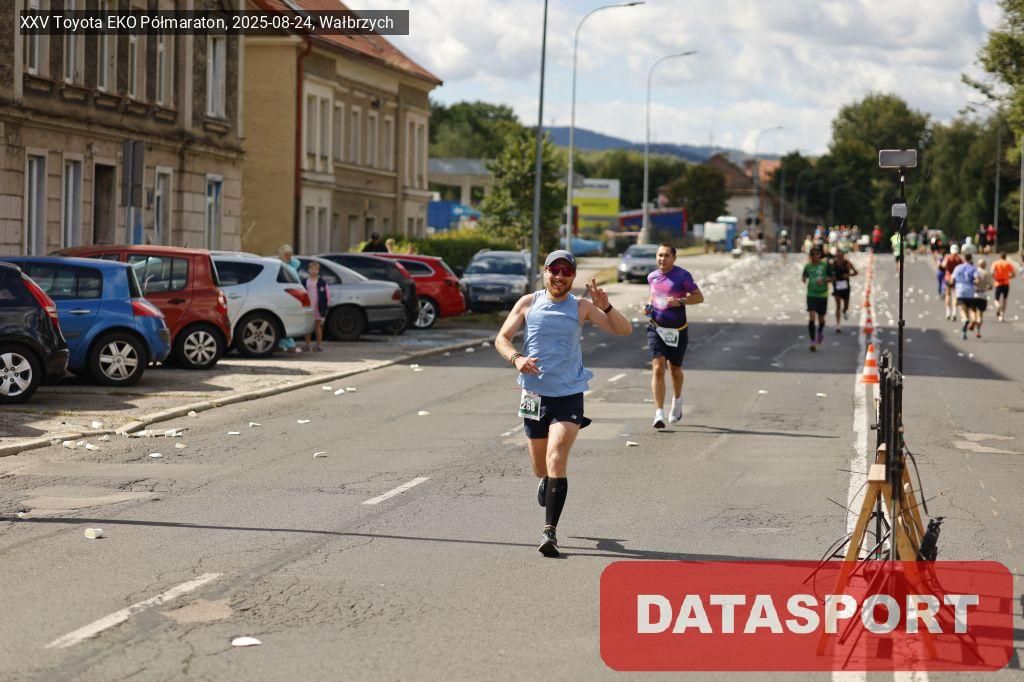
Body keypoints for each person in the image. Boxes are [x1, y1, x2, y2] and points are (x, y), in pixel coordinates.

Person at [494, 250, 632, 558]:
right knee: (540, 467)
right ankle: (546, 480)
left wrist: (606, 306)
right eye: (554, 270)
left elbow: (624, 330)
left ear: (573, 277)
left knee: (557, 455)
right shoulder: (528, 303)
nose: (559, 277)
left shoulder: (581, 306)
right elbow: (502, 338)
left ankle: (549, 532)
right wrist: (516, 358)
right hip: (533, 395)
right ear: (545, 272)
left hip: (569, 394)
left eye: (566, 272)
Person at [645, 243, 704, 429]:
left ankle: (677, 400)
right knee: (658, 369)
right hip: (656, 328)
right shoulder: (652, 277)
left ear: (674, 258)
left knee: (675, 370)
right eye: (659, 255)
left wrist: (681, 301)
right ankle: (658, 413)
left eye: (666, 255)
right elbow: (652, 296)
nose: (662, 259)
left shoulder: (682, 276)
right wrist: (647, 307)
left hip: (677, 330)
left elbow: (699, 297)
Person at [802, 247, 832, 351]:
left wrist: (824, 280)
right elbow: (804, 276)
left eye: (817, 254)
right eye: (813, 254)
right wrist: (804, 279)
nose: (815, 256)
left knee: (821, 319)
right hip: (811, 295)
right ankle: (812, 341)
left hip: (822, 295)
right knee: (812, 317)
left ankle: (819, 332)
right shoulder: (808, 266)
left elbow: (832, 278)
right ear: (811, 256)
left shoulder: (825, 266)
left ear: (820, 255)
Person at [277, 245, 303, 353]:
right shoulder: (279, 266)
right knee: (283, 320)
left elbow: (297, 262)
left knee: (289, 321)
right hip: (283, 296)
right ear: (280, 256)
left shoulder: (291, 266)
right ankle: (284, 344)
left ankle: (287, 344)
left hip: (291, 295)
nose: (289, 257)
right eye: (286, 255)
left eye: (290, 255)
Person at [302, 261, 330, 352]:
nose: (314, 271)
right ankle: (307, 345)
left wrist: (324, 307)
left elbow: (327, 296)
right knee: (308, 327)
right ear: (308, 270)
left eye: (316, 269)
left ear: (318, 270)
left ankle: (319, 345)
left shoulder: (322, 282)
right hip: (308, 307)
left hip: (318, 307)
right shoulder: (305, 281)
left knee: (317, 326)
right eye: (312, 269)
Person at [951, 252, 978, 340]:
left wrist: (953, 284)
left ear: (964, 259)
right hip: (970, 291)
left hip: (960, 291)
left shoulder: (958, 267)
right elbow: (977, 280)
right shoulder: (973, 268)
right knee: (972, 310)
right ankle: (972, 321)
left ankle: (965, 319)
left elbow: (952, 279)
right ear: (971, 259)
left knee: (962, 309)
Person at [830, 249, 858, 333]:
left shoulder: (847, 263)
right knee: (838, 306)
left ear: (843, 255)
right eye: (837, 256)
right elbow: (829, 274)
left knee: (846, 306)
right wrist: (832, 278)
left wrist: (848, 275)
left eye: (840, 255)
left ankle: (845, 311)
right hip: (837, 287)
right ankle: (838, 325)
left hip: (846, 287)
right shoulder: (833, 264)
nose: (839, 257)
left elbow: (856, 272)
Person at [941, 244, 964, 320]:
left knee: (947, 295)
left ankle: (948, 312)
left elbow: (943, 265)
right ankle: (954, 312)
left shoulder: (948, 257)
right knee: (955, 295)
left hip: (948, 278)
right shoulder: (959, 259)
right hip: (956, 279)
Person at [992, 252, 1016, 322]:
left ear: (1000, 256)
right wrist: (1008, 277)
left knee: (996, 299)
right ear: (1006, 257)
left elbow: (992, 272)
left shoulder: (996, 263)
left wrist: (995, 277)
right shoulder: (1008, 264)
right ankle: (1001, 316)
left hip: (998, 283)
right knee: (1004, 300)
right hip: (1006, 283)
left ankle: (998, 306)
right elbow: (1014, 274)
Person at [973, 258, 994, 338]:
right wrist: (985, 287)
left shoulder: (974, 271)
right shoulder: (987, 273)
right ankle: (978, 331)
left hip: (974, 294)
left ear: (978, 264)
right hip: (983, 295)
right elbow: (990, 286)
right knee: (980, 314)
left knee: (973, 311)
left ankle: (973, 320)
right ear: (985, 265)